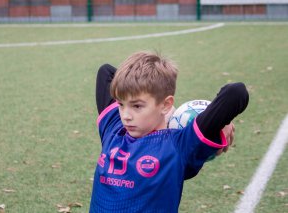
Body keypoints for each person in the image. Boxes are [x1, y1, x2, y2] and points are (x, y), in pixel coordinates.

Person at [90, 51, 249, 213]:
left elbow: (236, 92)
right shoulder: (113, 128)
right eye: (121, 104)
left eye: (137, 106)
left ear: (166, 105)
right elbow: (106, 71)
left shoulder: (179, 146)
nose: (125, 115)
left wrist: (222, 120)